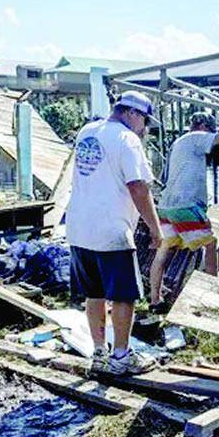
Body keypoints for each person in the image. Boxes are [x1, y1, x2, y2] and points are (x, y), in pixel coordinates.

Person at [66, 90, 163, 375]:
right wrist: (155, 228)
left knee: (94, 293)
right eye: (144, 121)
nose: (144, 129)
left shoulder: (87, 131)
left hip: (79, 227)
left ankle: (99, 353)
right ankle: (121, 356)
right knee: (123, 295)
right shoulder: (127, 139)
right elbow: (138, 187)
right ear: (132, 114)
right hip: (111, 229)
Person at [149, 112, 219, 309]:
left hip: (167, 206)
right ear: (202, 126)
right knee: (210, 245)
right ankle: (213, 296)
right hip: (185, 205)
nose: (211, 134)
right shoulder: (197, 137)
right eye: (210, 130)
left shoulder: (178, 142)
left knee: (164, 252)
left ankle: (155, 299)